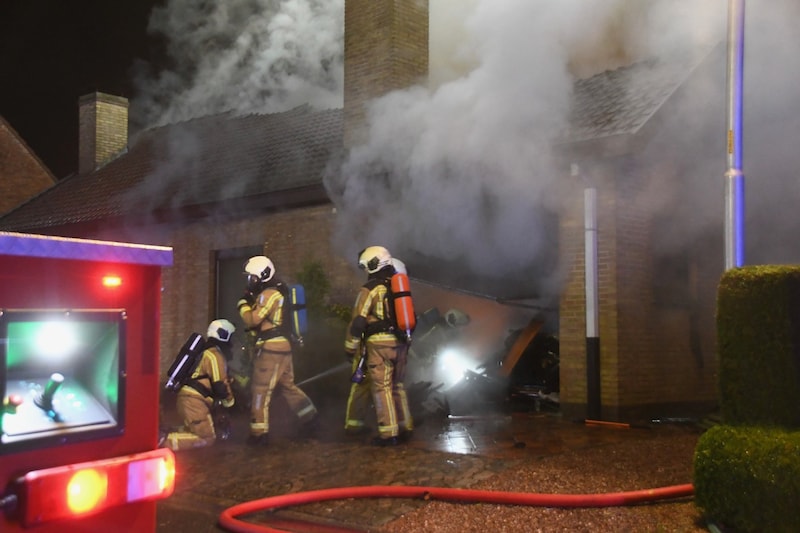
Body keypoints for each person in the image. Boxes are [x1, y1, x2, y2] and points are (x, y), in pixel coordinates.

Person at [237, 255, 318, 446]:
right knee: (288, 386)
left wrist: (242, 303)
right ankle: (311, 419)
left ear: (263, 276)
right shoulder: (278, 291)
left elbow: (252, 320)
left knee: (260, 390)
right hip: (283, 346)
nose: (250, 282)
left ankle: (258, 434)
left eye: (252, 278)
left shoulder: (269, 294)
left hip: (271, 348)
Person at [344, 246, 413, 446]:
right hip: (400, 343)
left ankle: (388, 434)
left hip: (379, 344)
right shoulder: (397, 286)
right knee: (397, 386)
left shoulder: (371, 288)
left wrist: (350, 347)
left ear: (372, 265)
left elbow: (358, 321)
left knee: (381, 388)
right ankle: (405, 426)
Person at [162, 319, 236, 451]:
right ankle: (163, 441)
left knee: (193, 429)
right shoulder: (214, 355)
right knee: (206, 438)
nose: (231, 342)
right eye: (230, 336)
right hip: (194, 401)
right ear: (223, 335)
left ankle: (166, 434)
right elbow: (220, 385)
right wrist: (230, 404)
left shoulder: (206, 352)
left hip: (189, 399)